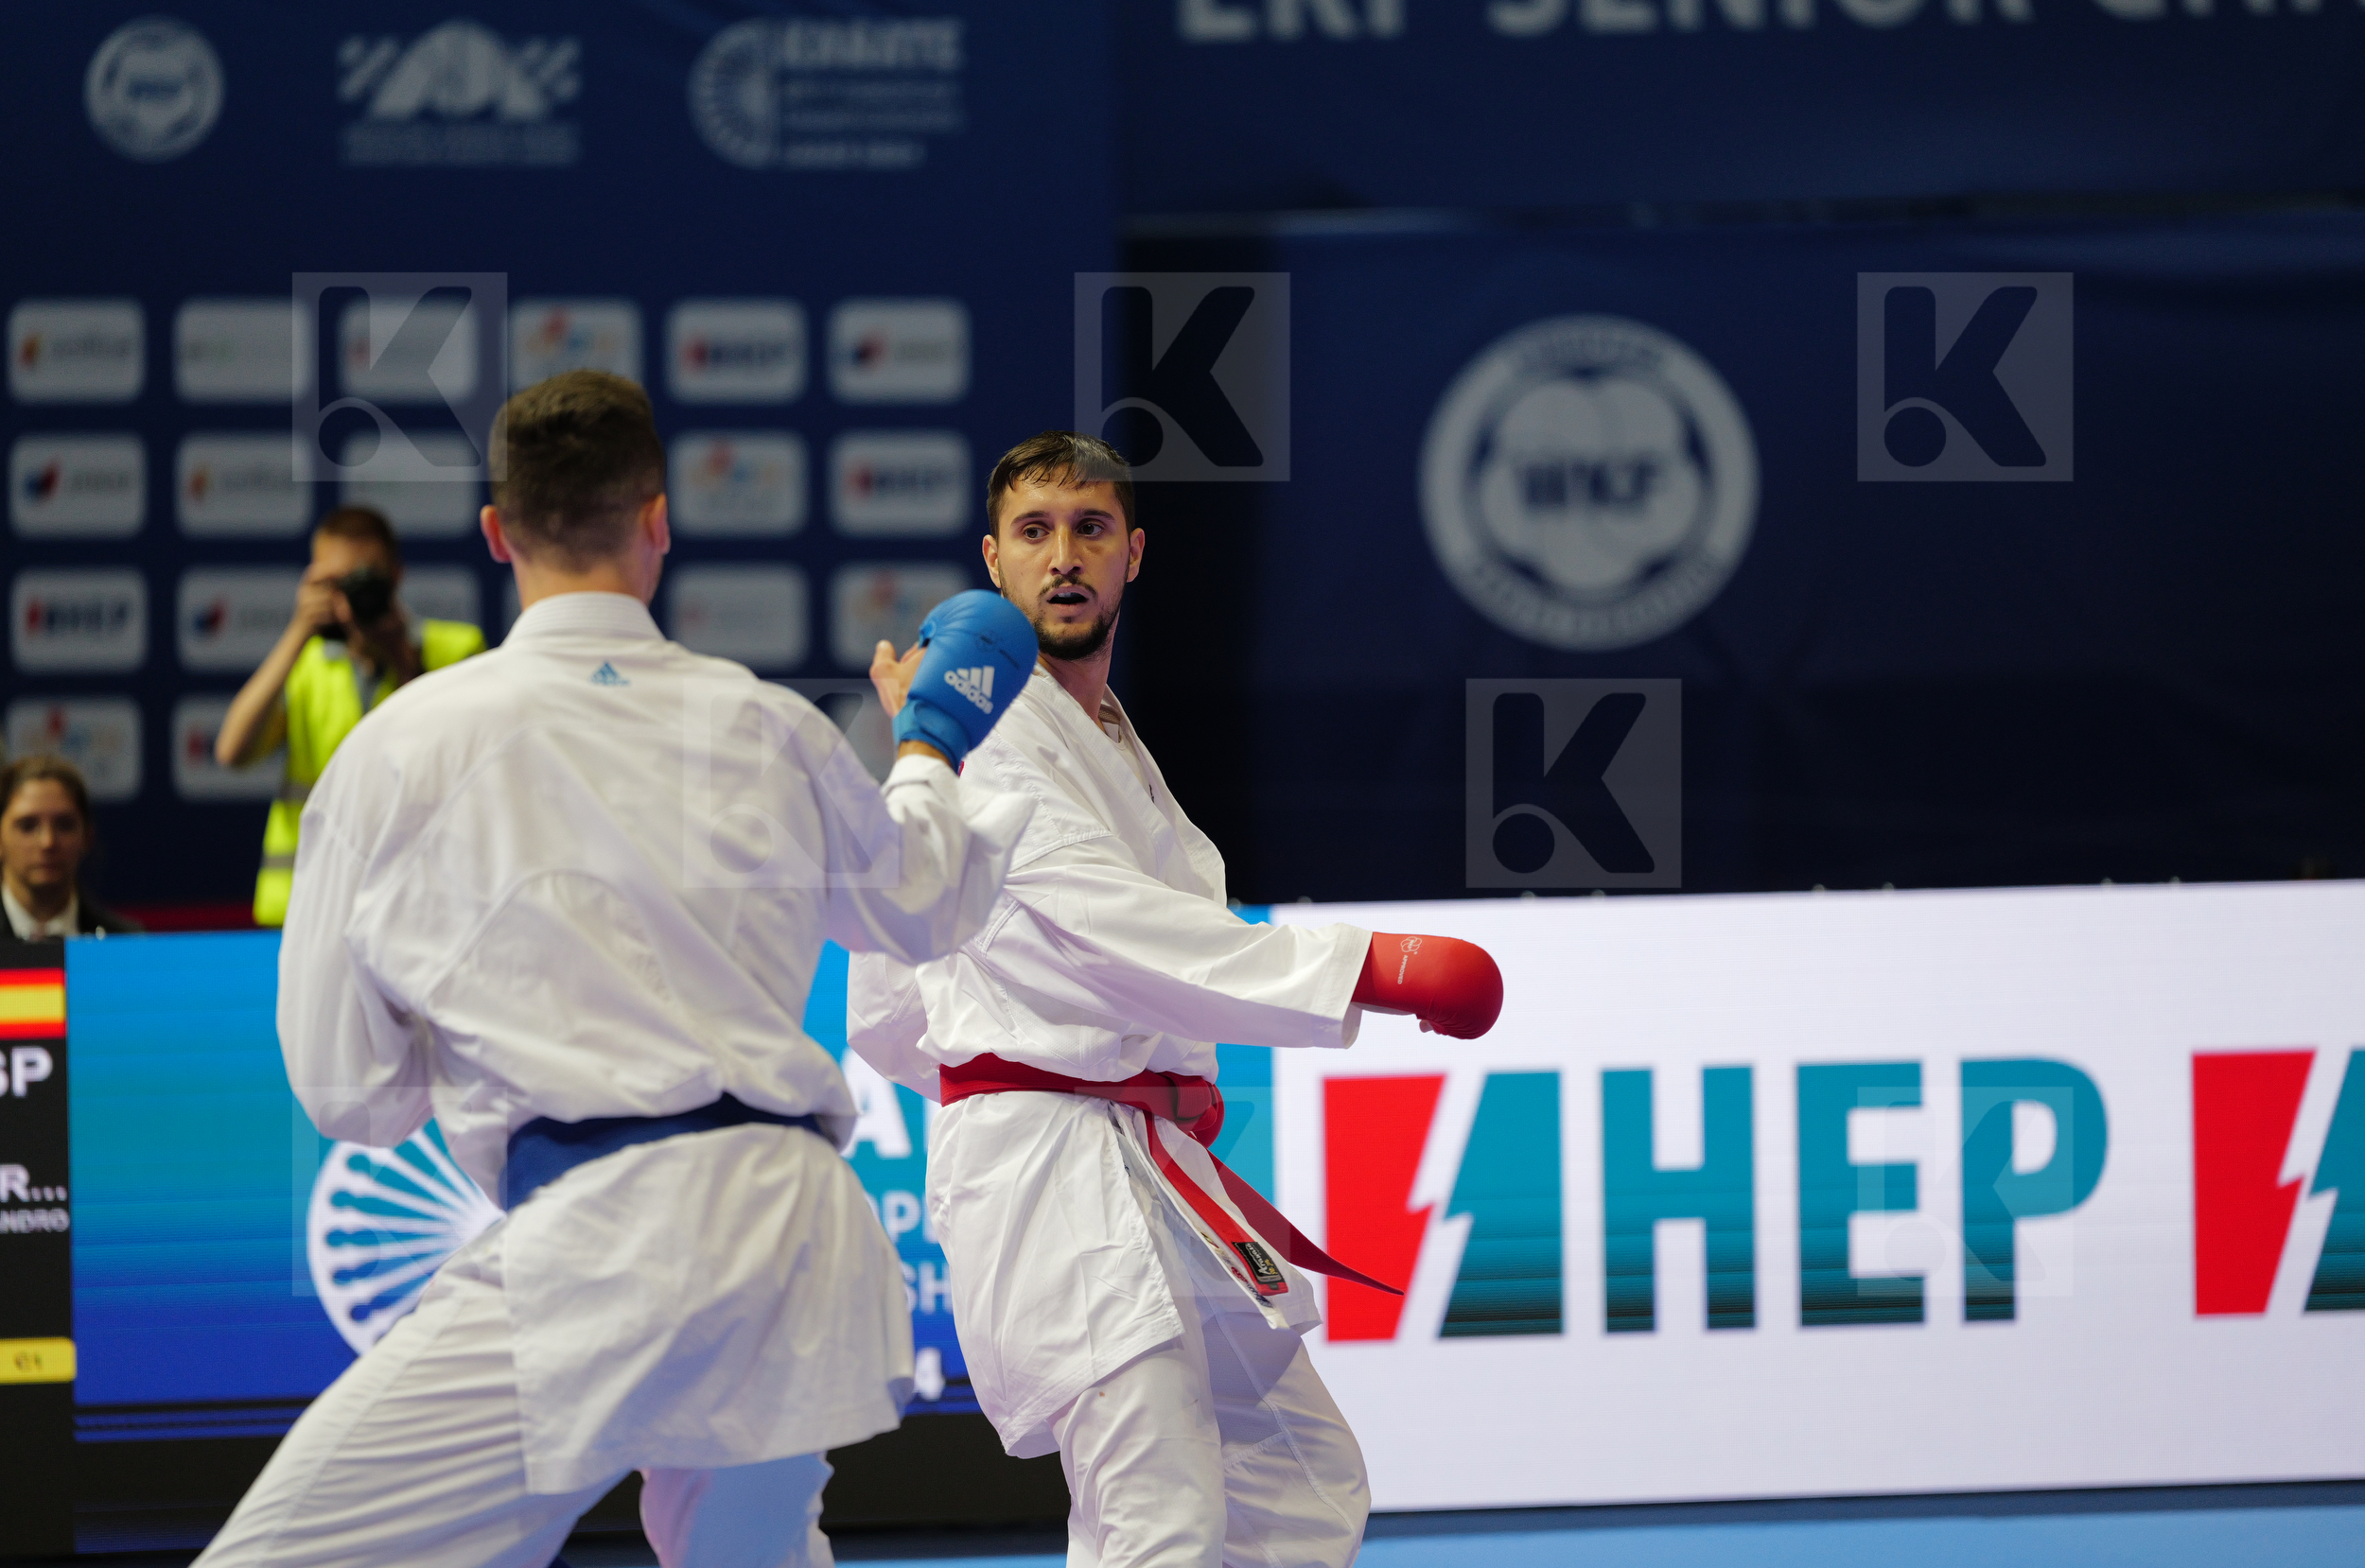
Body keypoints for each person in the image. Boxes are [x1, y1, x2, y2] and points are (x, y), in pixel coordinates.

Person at [194, 370, 1039, 1568]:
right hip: (799, 1236)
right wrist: (927, 744)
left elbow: (350, 1096)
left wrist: (477, 1014)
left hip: (599, 1236)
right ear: (658, 520)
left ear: (495, 533)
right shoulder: (763, 723)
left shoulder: (398, 749)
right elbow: (926, 900)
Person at [849, 431, 1505, 1568]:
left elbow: (885, 1006)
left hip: (1137, 1151)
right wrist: (1369, 966)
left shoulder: (1099, 731)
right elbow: (1112, 929)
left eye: (1090, 529)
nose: (1064, 557)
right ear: (992, 560)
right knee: (1156, 1516)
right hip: (1054, 1169)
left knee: (1297, 1481)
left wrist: (984, 1044)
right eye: (1035, 531)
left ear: (1133, 554)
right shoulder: (991, 728)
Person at [213, 504, 486, 928]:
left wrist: (400, 654)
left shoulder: (456, 650)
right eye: (335, 582)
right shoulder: (305, 666)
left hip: (417, 905)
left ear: (396, 576)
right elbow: (233, 752)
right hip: (308, 906)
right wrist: (298, 631)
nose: (353, 595)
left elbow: (465, 759)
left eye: (365, 580)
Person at [0, 755, 142, 940]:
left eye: (64, 825)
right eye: (28, 826)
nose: (48, 842)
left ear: (87, 837)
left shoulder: (125, 943)